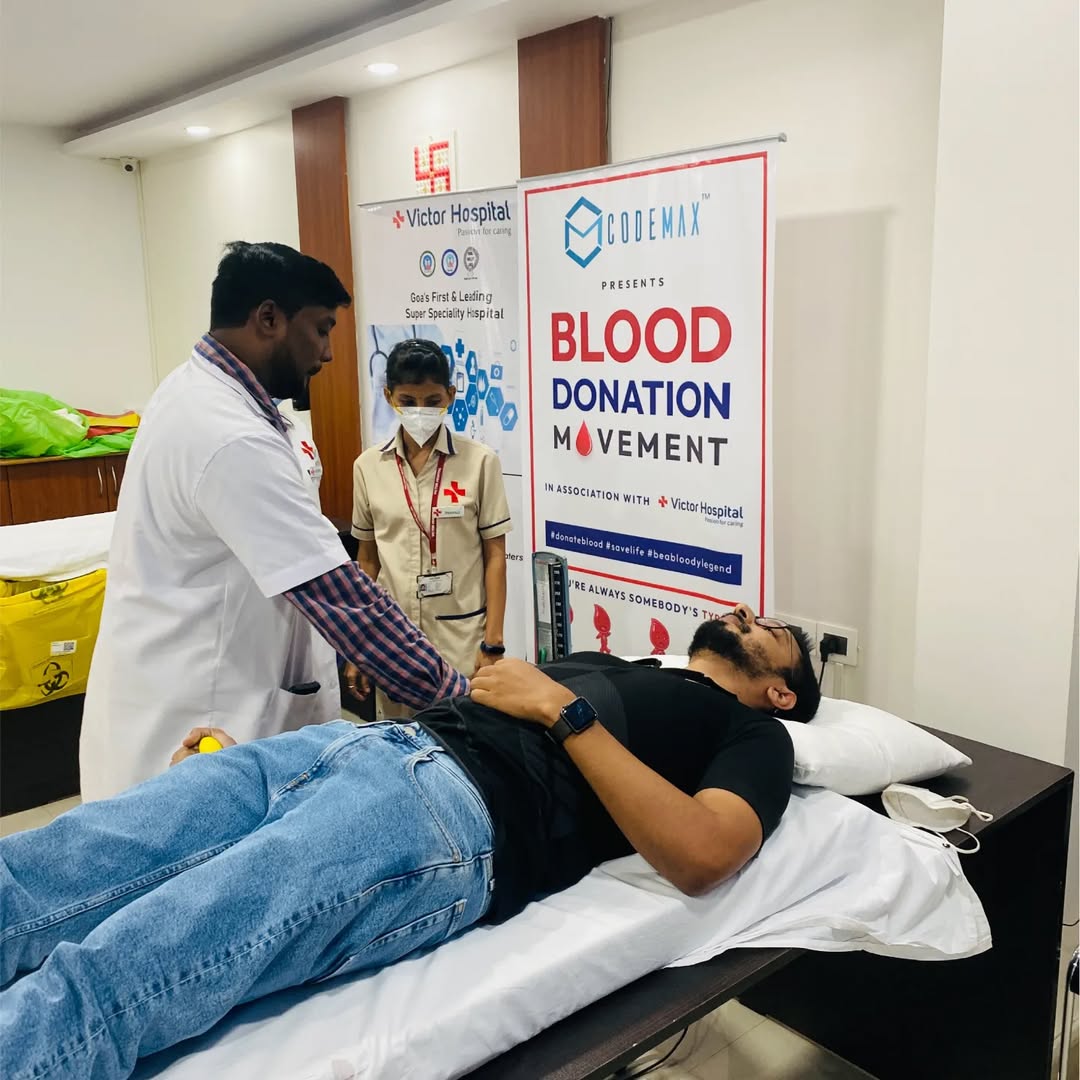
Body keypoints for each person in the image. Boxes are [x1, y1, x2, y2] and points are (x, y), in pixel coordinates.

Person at [0, 606, 818, 1080]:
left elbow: (705, 855)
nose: (747, 611)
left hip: (447, 816)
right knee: (50, 868)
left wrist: (562, 710)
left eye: (771, 627)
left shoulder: (753, 736)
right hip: (351, 747)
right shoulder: (624, 662)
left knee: (123, 973)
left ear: (781, 689)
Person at [79, 242, 468, 801]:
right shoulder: (226, 432)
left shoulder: (232, 404)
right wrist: (463, 702)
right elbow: (341, 598)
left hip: (245, 689)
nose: (329, 353)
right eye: (321, 329)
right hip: (200, 717)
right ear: (268, 319)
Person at [346, 338, 511, 717]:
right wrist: (360, 645)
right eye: (408, 401)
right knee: (399, 746)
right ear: (389, 396)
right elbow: (367, 561)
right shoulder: (367, 468)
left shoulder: (480, 463)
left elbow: (495, 556)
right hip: (393, 643)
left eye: (433, 401)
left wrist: (494, 645)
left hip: (462, 643)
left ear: (451, 396)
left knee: (464, 746)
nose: (420, 411)